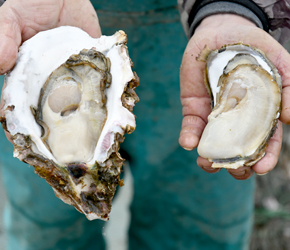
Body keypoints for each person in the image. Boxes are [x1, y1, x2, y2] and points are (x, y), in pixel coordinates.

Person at [0, 0, 289, 249]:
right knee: (48, 232)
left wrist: (236, 7)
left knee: (192, 225)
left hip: (190, 45)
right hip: (37, 21)